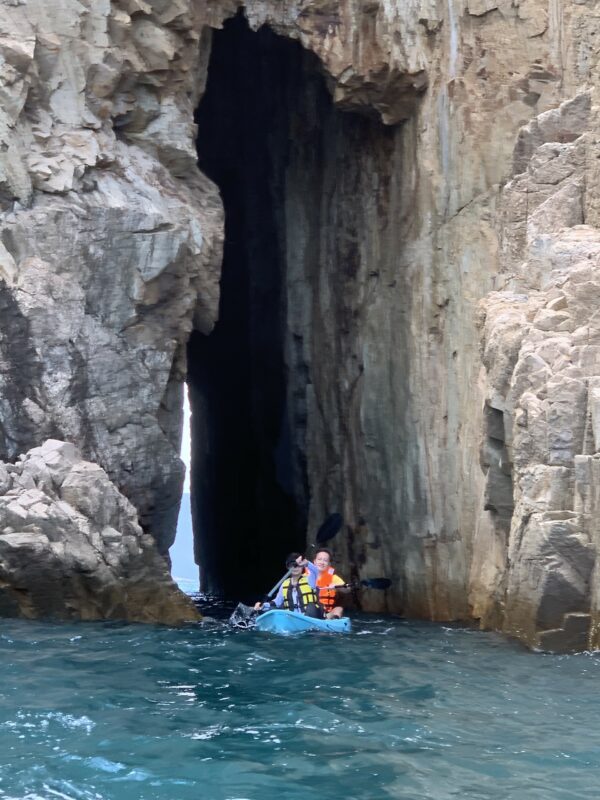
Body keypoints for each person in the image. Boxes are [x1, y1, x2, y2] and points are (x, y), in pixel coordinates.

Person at [254, 553, 323, 618]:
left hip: (308, 617)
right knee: (270, 609)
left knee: (311, 607)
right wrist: (263, 605)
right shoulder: (284, 584)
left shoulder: (310, 579)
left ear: (303, 567)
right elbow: (277, 602)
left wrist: (307, 563)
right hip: (291, 619)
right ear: (288, 567)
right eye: (293, 565)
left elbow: (315, 571)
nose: (296, 568)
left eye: (299, 565)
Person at [305, 548, 345, 619]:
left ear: (329, 564)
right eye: (319, 559)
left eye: (325, 560)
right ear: (314, 561)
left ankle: (332, 621)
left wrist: (338, 587)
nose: (322, 562)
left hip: (326, 614)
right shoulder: (305, 577)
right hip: (308, 612)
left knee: (339, 609)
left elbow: (347, 589)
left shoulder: (334, 578)